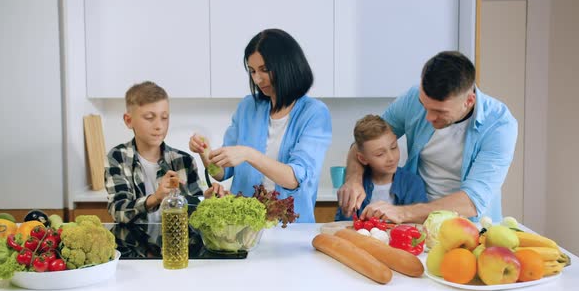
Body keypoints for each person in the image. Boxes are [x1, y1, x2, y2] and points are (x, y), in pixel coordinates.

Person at [338, 51, 518, 224]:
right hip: (417, 223)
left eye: (439, 111)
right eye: (424, 105)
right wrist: (354, 179)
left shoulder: (499, 126)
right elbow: (364, 143)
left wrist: (402, 212)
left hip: (469, 226)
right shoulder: (411, 99)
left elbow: (471, 201)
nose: (428, 117)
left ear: (468, 101)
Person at [189, 29, 332, 223]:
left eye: (265, 70)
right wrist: (205, 153)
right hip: (243, 226)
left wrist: (249, 154)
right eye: (253, 71)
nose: (257, 79)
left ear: (287, 66)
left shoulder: (314, 113)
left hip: (291, 229)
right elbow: (223, 173)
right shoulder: (248, 107)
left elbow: (294, 179)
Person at [105, 81, 225, 224]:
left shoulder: (184, 161)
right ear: (129, 120)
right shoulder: (118, 157)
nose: (159, 126)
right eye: (149, 117)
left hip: (177, 245)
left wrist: (206, 201)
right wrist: (156, 197)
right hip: (133, 244)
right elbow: (118, 211)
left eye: (164, 117)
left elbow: (194, 215)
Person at [334, 115, 427, 221]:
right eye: (380, 154)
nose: (391, 158)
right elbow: (342, 226)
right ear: (363, 159)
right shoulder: (354, 188)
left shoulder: (412, 183)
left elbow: (419, 223)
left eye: (393, 147)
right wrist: (346, 212)